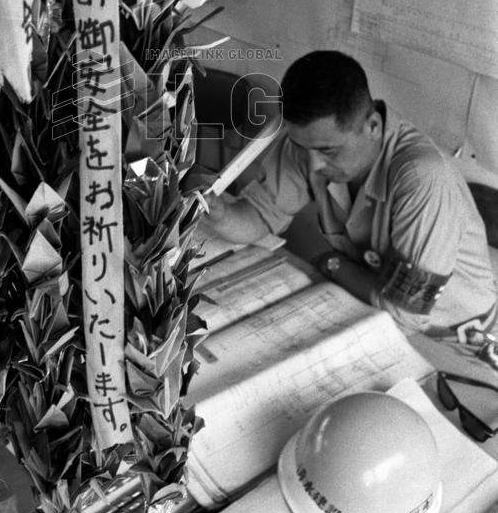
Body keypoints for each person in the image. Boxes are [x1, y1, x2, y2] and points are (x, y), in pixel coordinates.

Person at [202, 50, 497, 338]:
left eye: (328, 151)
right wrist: (221, 213)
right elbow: (257, 218)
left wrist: (330, 263)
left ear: (373, 127)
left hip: (454, 335)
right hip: (370, 304)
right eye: (302, 147)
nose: (314, 164)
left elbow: (406, 313)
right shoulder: (310, 141)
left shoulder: (423, 178)